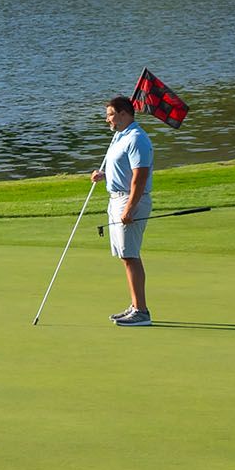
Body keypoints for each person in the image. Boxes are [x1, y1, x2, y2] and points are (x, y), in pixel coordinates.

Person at [88, 96, 154, 326]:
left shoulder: (137, 139)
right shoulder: (120, 136)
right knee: (126, 256)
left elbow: (140, 177)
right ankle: (135, 305)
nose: (107, 119)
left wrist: (130, 208)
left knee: (131, 255)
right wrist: (104, 176)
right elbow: (124, 170)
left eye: (110, 114)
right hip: (116, 199)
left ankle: (142, 312)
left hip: (130, 201)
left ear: (124, 113)